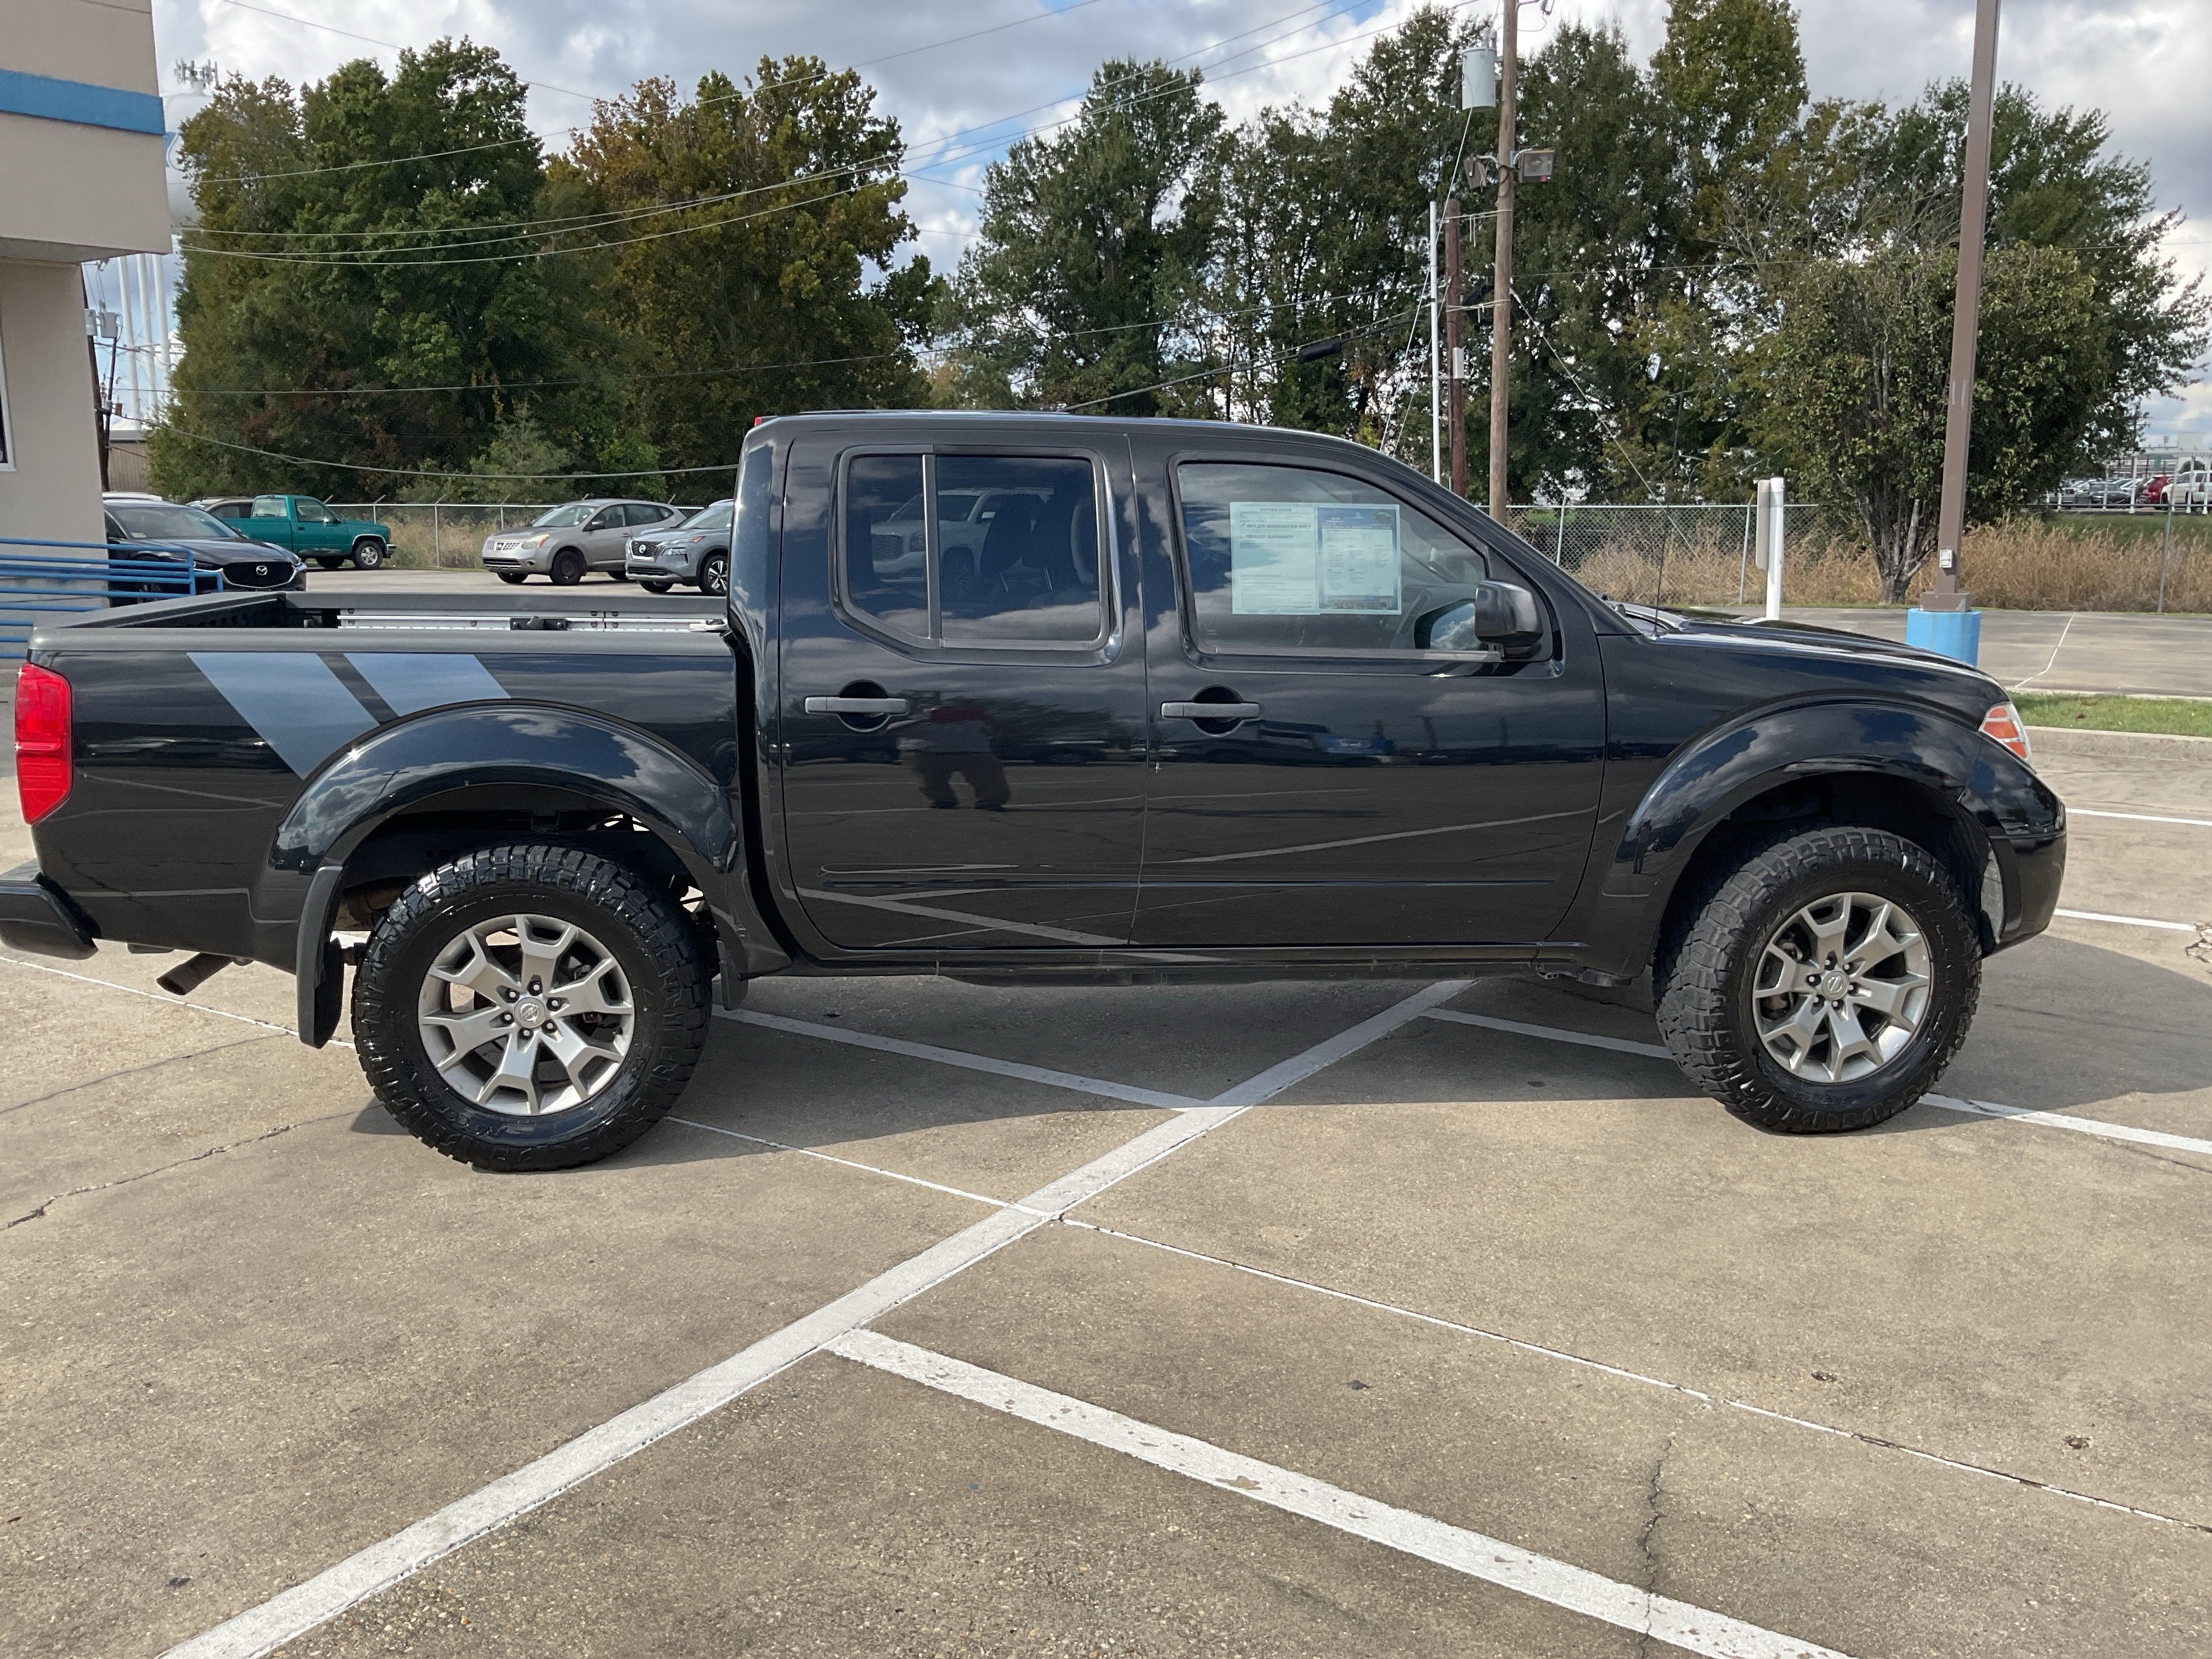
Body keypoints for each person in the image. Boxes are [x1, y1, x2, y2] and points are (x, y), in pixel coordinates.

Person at [900, 702, 1011, 810]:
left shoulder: (976, 720)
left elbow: (1008, 730)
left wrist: (986, 718)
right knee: (929, 778)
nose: (948, 713)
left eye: (952, 711)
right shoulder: (916, 719)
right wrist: (927, 719)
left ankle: (990, 800)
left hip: (975, 752)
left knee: (989, 777)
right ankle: (942, 799)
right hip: (928, 753)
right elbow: (888, 729)